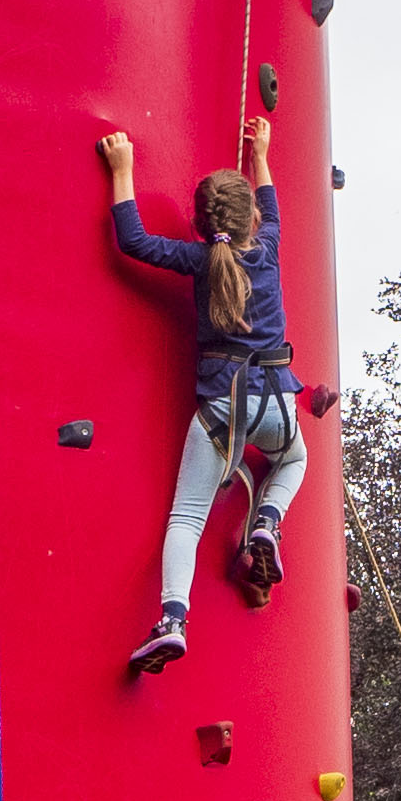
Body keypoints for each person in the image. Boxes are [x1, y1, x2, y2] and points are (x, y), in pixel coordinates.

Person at [99, 118, 307, 674]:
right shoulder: (267, 248)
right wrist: (261, 151)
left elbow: (133, 241)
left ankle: (172, 620)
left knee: (186, 518)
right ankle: (266, 518)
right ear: (253, 221)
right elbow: (270, 203)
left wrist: (123, 171)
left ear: (200, 225)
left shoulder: (199, 261)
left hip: (222, 409)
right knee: (295, 460)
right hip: (278, 404)